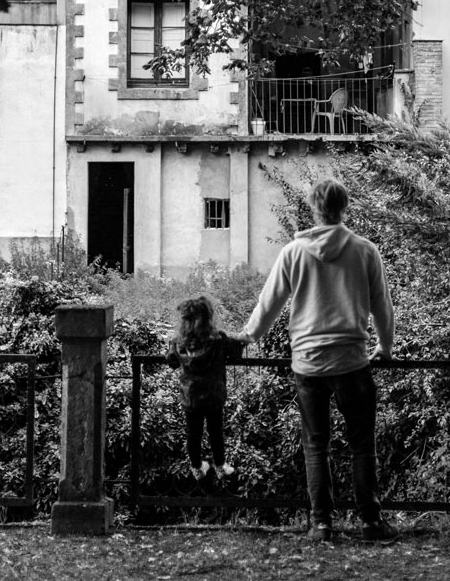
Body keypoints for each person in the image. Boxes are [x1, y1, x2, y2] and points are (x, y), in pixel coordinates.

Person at [240, 179, 399, 543]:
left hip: (308, 363)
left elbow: (269, 303)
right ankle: (371, 522)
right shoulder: (364, 250)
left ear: (312, 207)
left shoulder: (294, 252)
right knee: (362, 446)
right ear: (345, 206)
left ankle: (321, 524)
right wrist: (385, 348)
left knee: (316, 445)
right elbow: (382, 306)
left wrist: (248, 336)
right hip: (352, 361)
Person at [166, 296, 246, 481]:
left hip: (191, 396)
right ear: (208, 317)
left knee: (193, 433)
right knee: (216, 431)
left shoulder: (179, 342)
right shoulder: (218, 339)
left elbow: (171, 361)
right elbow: (236, 353)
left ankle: (197, 468)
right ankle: (220, 466)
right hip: (213, 395)